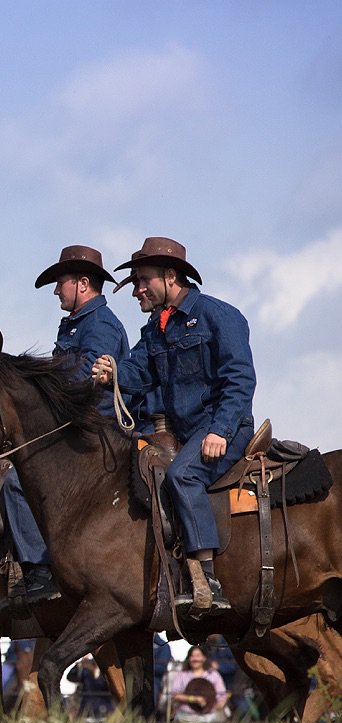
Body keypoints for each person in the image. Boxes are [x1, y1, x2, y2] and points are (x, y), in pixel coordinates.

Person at [93, 238, 256, 616]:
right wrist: (112, 372)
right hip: (185, 433)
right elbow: (138, 372)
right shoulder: (154, 330)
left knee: (182, 475)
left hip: (222, 427)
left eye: (141, 280)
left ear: (170, 276)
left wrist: (220, 431)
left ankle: (207, 581)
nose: (136, 290)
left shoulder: (221, 316)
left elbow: (240, 380)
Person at [1, 246, 130, 608]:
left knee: (15, 482)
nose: (56, 291)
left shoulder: (101, 323)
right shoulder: (74, 322)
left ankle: (40, 572)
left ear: (83, 283)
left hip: (96, 428)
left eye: (61, 283)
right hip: (74, 426)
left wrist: (33, 380)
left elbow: (87, 376)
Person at [163, 644, 229, 723]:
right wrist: (193, 699)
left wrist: (212, 707)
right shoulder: (182, 675)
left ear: (204, 658)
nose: (195, 659)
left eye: (198, 656)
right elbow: (174, 695)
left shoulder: (213, 675)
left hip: (209, 718)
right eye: (192, 656)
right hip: (185, 717)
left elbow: (222, 696)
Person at [66, 654, 115, 720]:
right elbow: (70, 677)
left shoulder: (108, 673)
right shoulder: (85, 672)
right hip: (86, 710)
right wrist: (79, 665)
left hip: (106, 710)